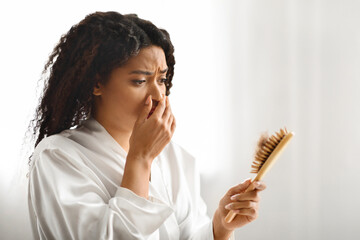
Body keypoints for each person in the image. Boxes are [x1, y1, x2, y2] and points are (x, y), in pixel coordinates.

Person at [27, 11, 266, 240]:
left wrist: (220, 227)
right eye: (140, 81)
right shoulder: (57, 156)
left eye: (162, 80)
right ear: (97, 83)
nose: (158, 96)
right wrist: (139, 159)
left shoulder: (174, 157)